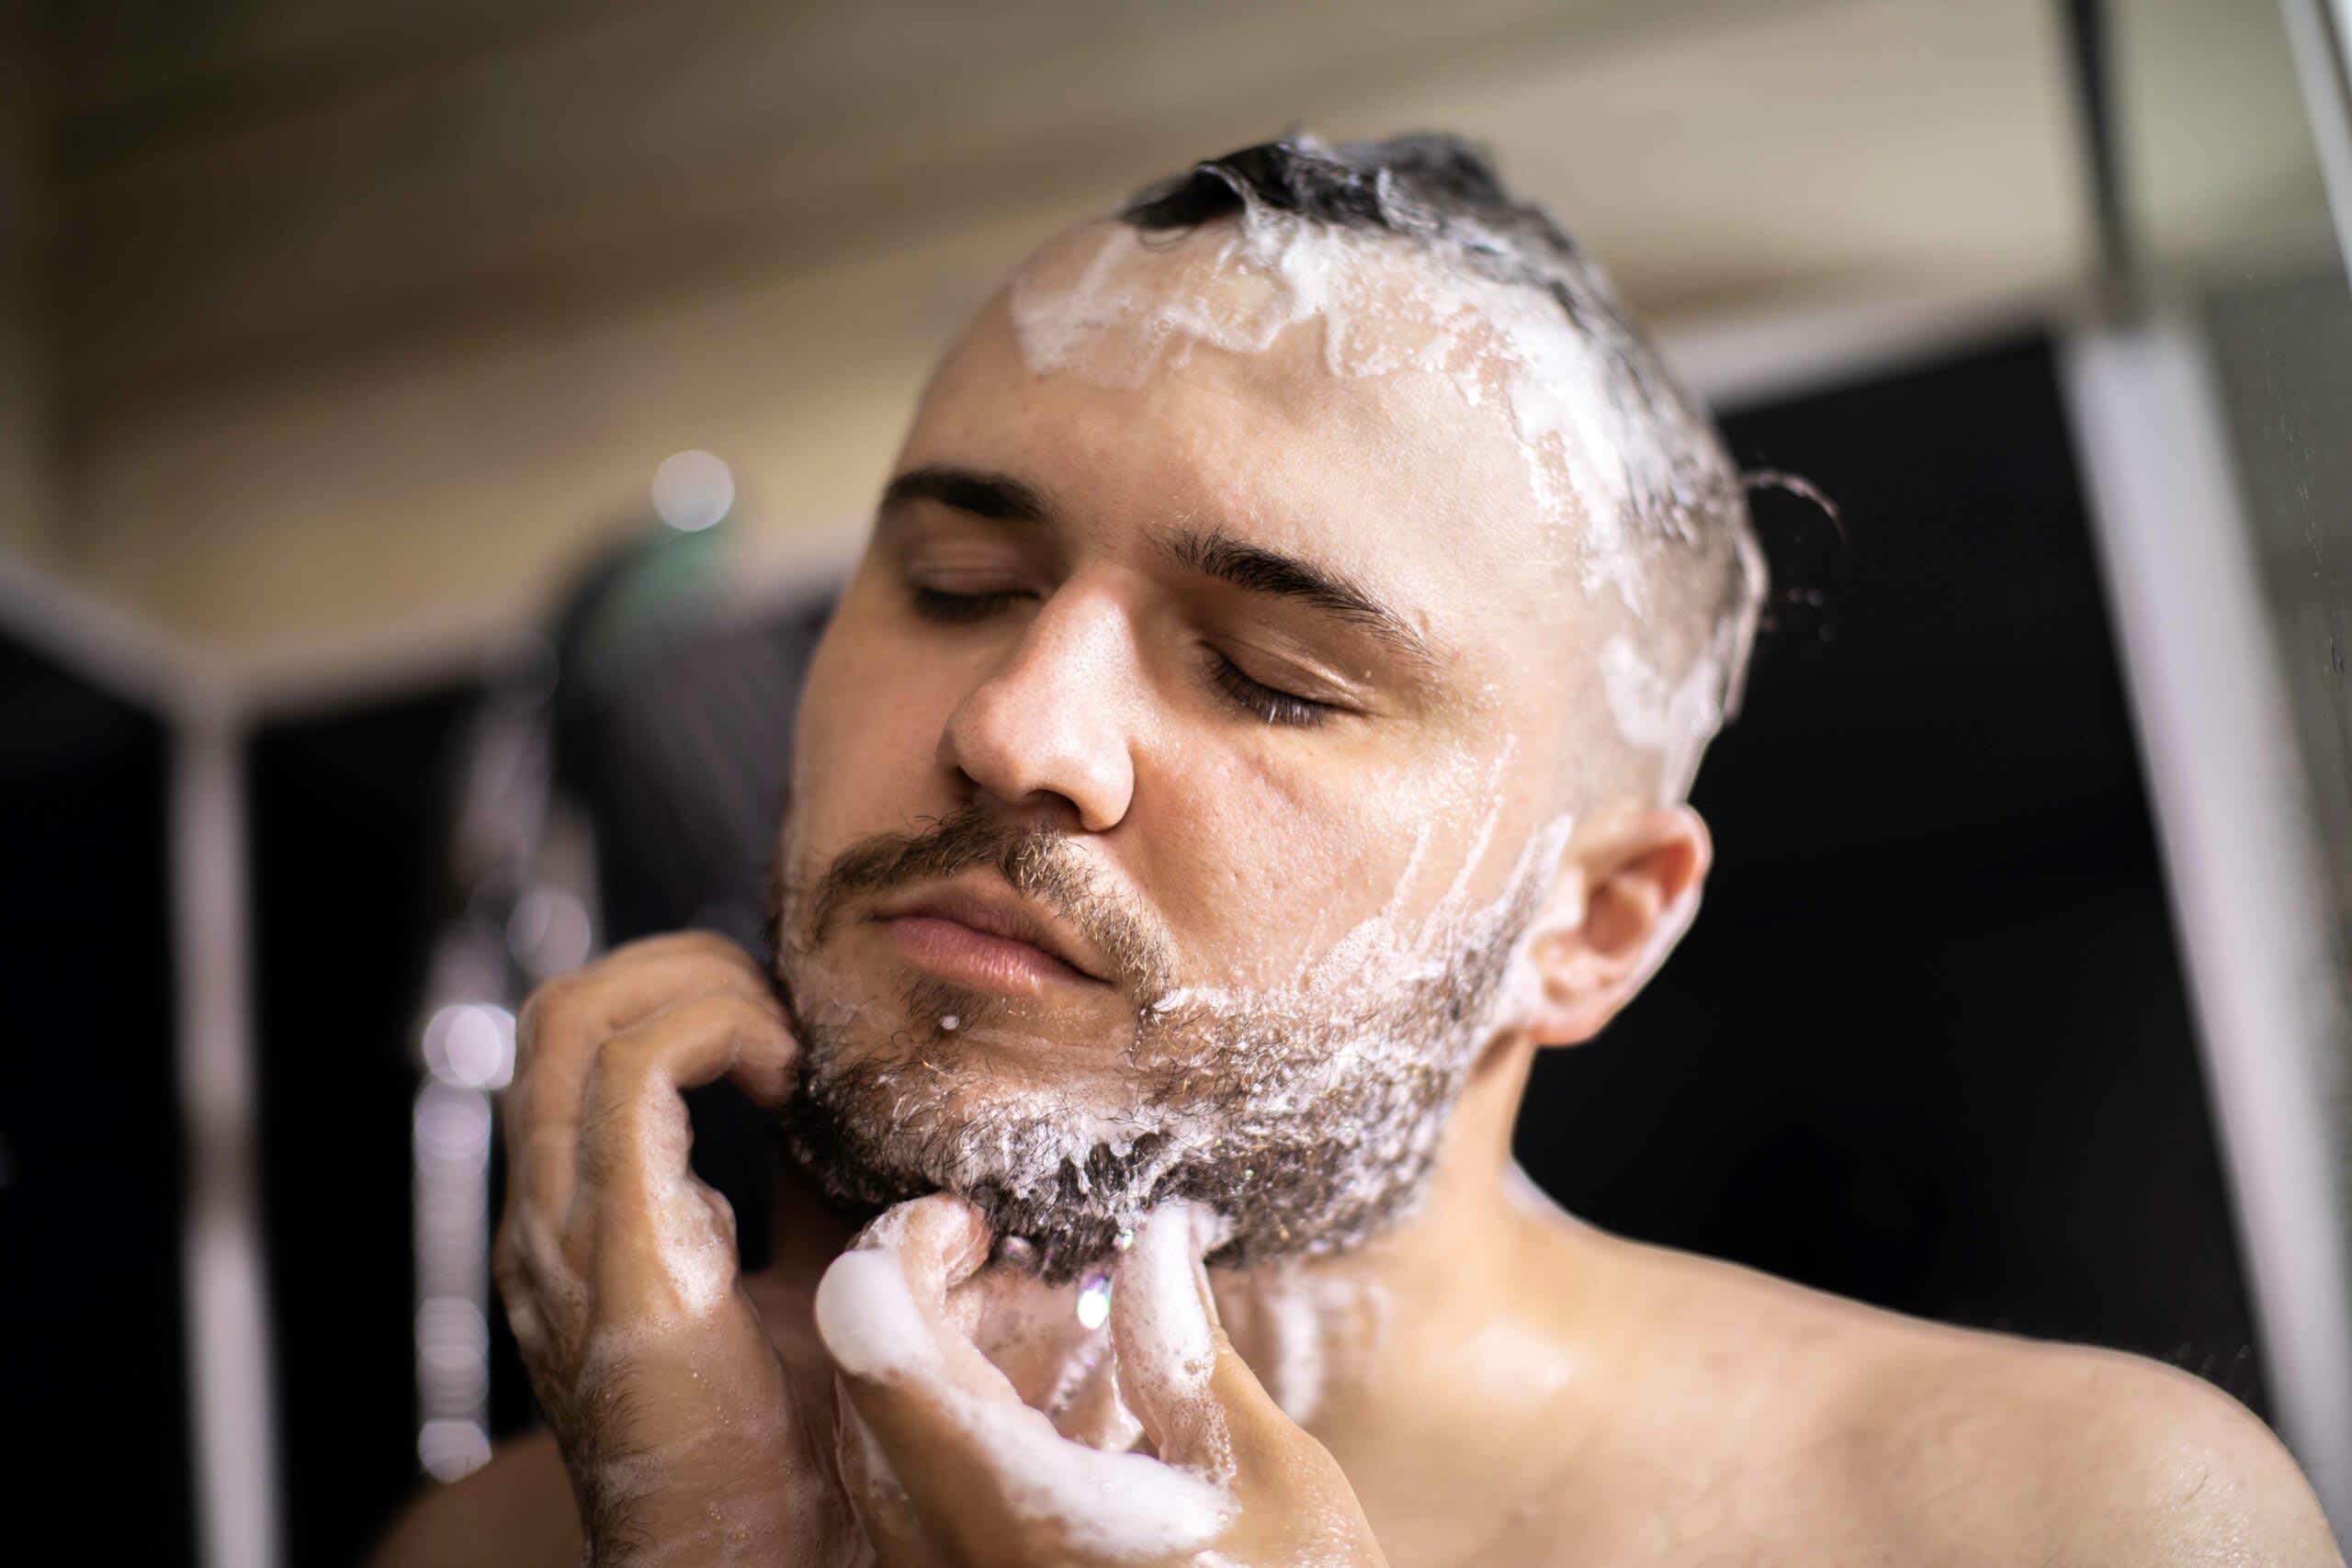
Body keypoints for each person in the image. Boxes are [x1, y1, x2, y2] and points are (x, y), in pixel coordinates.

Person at [373, 133, 2344, 1567]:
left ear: (1584, 926)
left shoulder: (2056, 1523)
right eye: (960, 580)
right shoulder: (548, 1537)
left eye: (1270, 676)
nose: (1013, 727)